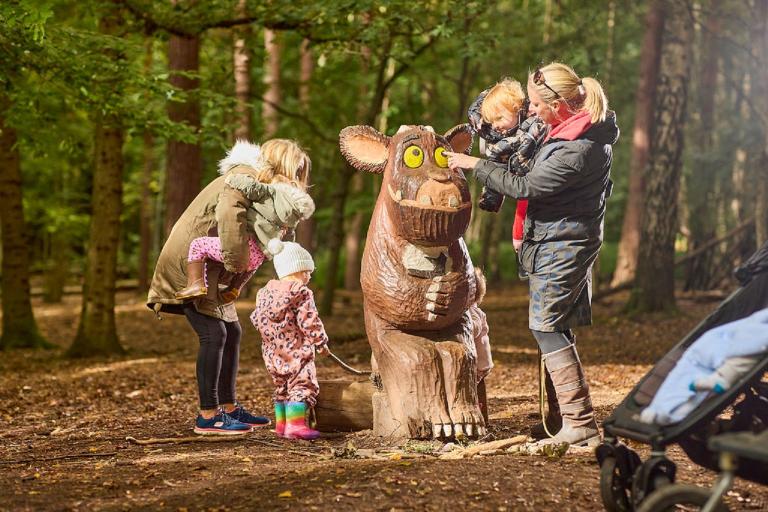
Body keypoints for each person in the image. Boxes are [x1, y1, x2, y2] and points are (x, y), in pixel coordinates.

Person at [446, 62, 619, 447]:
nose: (532, 111)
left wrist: (477, 165)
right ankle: (563, 421)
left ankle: (581, 424)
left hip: (563, 244)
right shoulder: (564, 130)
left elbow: (525, 185)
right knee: (557, 326)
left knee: (546, 326)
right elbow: (502, 118)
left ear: (558, 104)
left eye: (538, 105)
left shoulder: (577, 148)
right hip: (556, 240)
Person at [147, 138, 313, 435]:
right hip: (192, 262)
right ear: (279, 163)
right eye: (295, 170)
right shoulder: (243, 178)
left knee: (232, 332)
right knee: (214, 334)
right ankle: (208, 416)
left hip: (215, 265)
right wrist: (238, 262)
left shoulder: (258, 184)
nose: (296, 179)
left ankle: (230, 408)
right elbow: (228, 215)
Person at [175, 141, 315, 303]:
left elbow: (250, 189)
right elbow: (289, 238)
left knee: (198, 245)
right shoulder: (292, 207)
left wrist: (234, 180)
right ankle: (236, 288)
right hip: (260, 254)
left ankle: (196, 283)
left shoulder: (270, 190)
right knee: (255, 259)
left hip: (244, 247)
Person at [467, 78, 548, 279]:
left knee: (524, 210)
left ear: (515, 108)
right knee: (522, 212)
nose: (496, 126)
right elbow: (498, 164)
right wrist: (491, 197)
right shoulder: (503, 136)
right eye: (492, 122)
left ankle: (523, 253)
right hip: (523, 179)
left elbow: (528, 143)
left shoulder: (533, 119)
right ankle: (521, 254)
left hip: (535, 175)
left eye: (500, 118)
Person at [251, 239, 330, 441]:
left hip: (272, 353)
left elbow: (256, 318)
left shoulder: (264, 293)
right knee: (302, 384)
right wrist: (320, 341)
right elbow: (309, 320)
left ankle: (281, 425)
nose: (309, 276)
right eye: (307, 271)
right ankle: (295, 426)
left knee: (282, 386)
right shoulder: (301, 292)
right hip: (296, 351)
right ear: (297, 269)